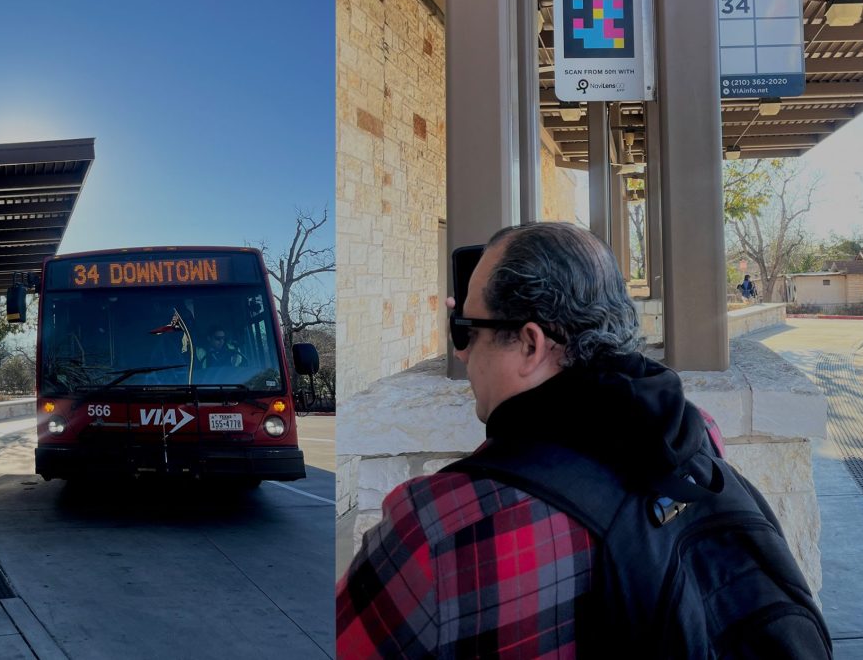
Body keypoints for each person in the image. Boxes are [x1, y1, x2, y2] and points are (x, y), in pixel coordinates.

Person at [336, 221, 827, 657]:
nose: (461, 353)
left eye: (465, 329)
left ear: (530, 344)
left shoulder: (441, 532)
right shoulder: (696, 434)